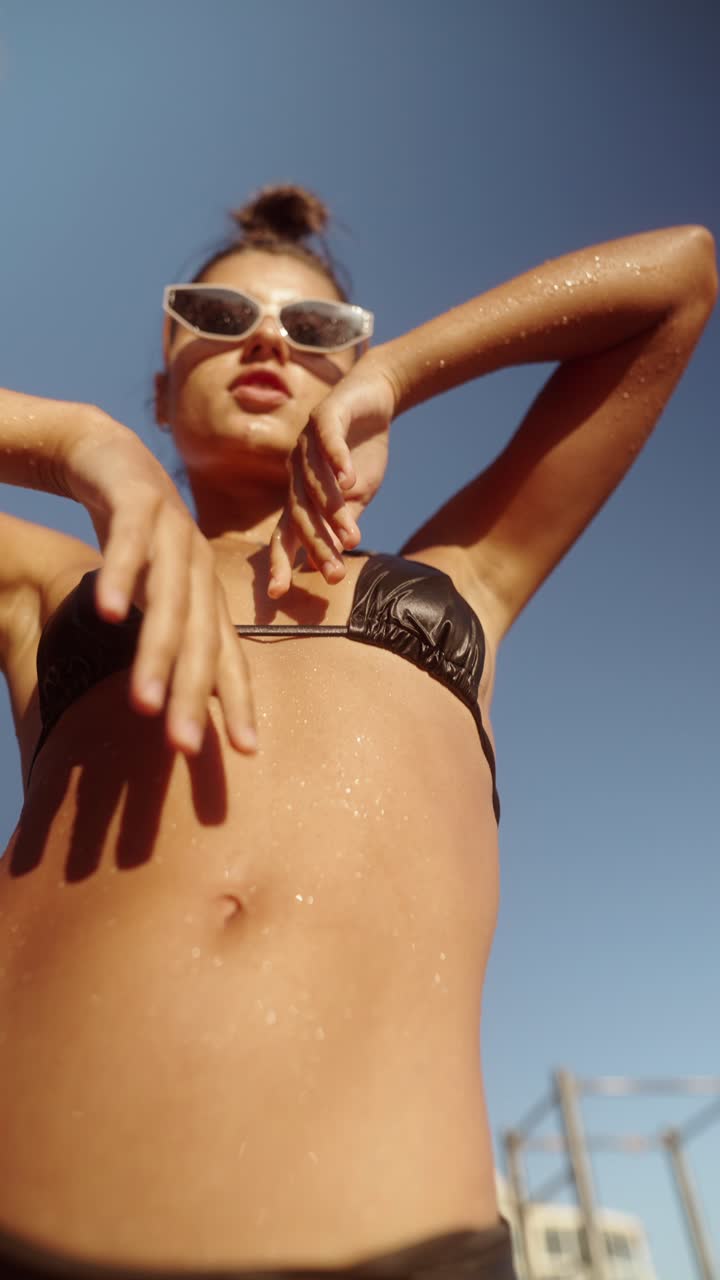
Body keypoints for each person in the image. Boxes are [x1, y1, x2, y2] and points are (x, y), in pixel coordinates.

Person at [0, 184, 715, 1280]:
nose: (269, 343)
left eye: (318, 330)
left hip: (411, 1248)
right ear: (161, 379)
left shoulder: (465, 576)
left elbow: (678, 274)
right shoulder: (52, 588)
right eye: (221, 316)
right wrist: (77, 445)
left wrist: (400, 371)